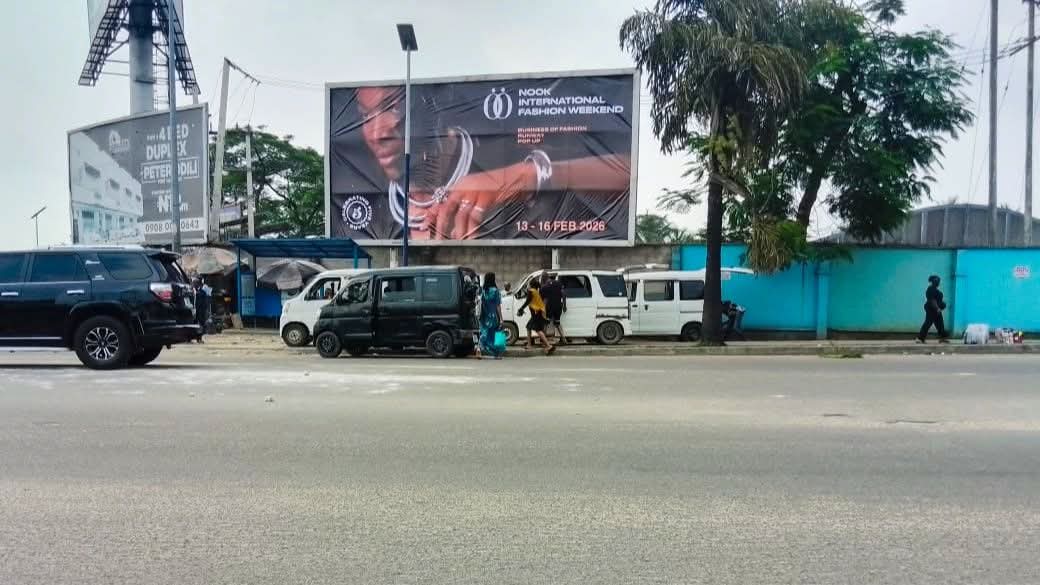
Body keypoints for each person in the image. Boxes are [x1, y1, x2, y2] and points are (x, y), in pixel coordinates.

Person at [517, 279, 556, 355]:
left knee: (538, 330)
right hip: (538, 312)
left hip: (536, 313)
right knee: (528, 327)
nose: (528, 285)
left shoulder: (531, 291)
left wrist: (521, 309)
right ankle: (529, 345)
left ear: (531, 285)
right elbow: (531, 302)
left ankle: (549, 346)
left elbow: (527, 301)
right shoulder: (535, 291)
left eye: (528, 284)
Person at [476, 272, 505, 359]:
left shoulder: (483, 290)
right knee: (496, 334)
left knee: (484, 333)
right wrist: (501, 318)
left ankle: (479, 348)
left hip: (484, 315)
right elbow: (498, 306)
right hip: (493, 316)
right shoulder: (495, 291)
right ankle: (497, 353)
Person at [917, 274, 949, 343]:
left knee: (940, 323)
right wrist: (937, 308)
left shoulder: (935, 290)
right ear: (933, 281)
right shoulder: (930, 289)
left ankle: (942, 338)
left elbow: (937, 300)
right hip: (932, 309)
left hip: (936, 310)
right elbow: (932, 300)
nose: (938, 283)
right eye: (937, 281)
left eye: (939, 281)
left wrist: (942, 304)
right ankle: (920, 338)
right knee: (928, 323)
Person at [539, 272, 568, 345]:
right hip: (558, 306)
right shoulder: (558, 283)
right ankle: (564, 339)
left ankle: (543, 340)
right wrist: (564, 305)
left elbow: (542, 299)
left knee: (546, 323)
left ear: (543, 278)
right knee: (557, 323)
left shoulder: (544, 287)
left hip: (549, 307)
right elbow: (564, 294)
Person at [192, 277, 210, 343]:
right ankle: (189, 338)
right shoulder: (192, 292)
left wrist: (204, 312)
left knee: (200, 325)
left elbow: (205, 303)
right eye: (193, 283)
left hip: (200, 312)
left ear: (198, 284)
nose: (194, 285)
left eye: (195, 283)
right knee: (192, 324)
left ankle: (199, 338)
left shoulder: (203, 293)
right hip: (192, 311)